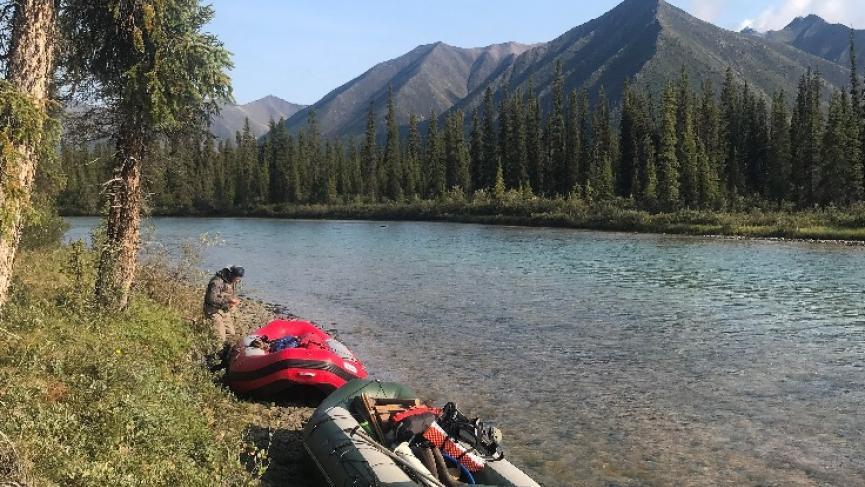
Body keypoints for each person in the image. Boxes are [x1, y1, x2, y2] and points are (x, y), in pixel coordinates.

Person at [204, 265, 245, 346]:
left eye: (238, 280)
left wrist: (234, 302)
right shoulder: (216, 282)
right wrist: (228, 300)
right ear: (231, 274)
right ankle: (215, 351)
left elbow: (229, 293)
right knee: (220, 337)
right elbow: (211, 299)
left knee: (231, 333)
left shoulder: (231, 281)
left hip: (224, 310)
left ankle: (225, 349)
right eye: (236, 279)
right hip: (213, 310)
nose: (237, 281)